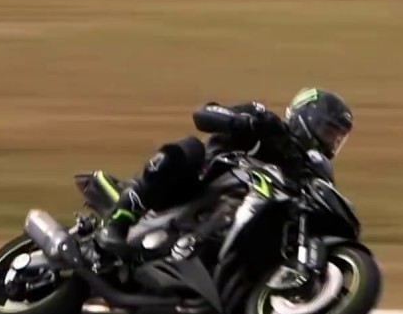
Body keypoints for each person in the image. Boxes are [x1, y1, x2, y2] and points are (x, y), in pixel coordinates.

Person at [94, 87, 354, 257]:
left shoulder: (310, 168)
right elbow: (203, 113)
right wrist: (241, 121)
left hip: (246, 217)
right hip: (197, 186)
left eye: (337, 138)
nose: (330, 142)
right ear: (306, 117)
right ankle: (119, 222)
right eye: (328, 131)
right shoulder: (266, 121)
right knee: (188, 149)